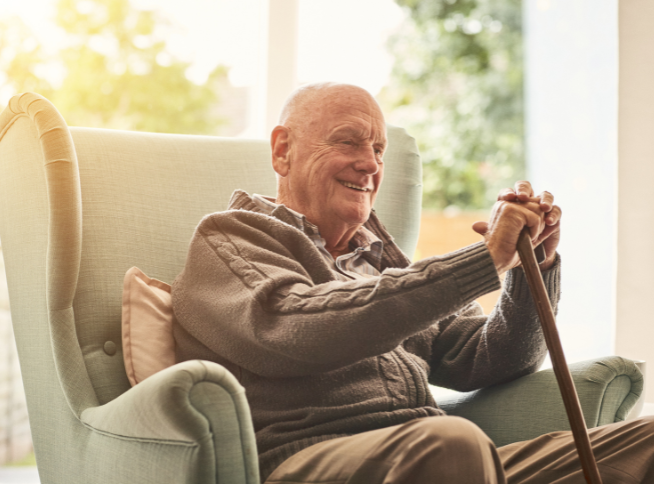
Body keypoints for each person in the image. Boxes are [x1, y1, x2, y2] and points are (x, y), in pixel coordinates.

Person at [172, 83, 654, 483]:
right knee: (451, 442)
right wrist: (481, 260)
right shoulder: (233, 236)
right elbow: (295, 327)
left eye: (378, 149)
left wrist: (533, 270)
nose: (371, 164)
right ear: (283, 150)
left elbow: (492, 358)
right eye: (348, 141)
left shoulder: (385, 263)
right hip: (313, 461)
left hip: (446, 458)